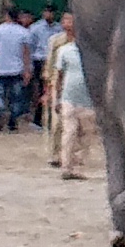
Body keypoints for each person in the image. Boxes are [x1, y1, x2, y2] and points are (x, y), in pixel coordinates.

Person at [49, 13, 94, 180]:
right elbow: (59, 75)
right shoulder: (64, 51)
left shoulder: (93, 55)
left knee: (87, 135)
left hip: (89, 100)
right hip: (69, 98)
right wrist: (58, 98)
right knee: (69, 132)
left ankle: (77, 164)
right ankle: (66, 166)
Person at [0, 4, 32, 132]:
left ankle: (0, 114)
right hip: (17, 69)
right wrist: (27, 70)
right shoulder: (24, 32)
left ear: (6, 16)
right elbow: (26, 53)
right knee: (16, 98)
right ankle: (13, 121)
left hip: (0, 68)